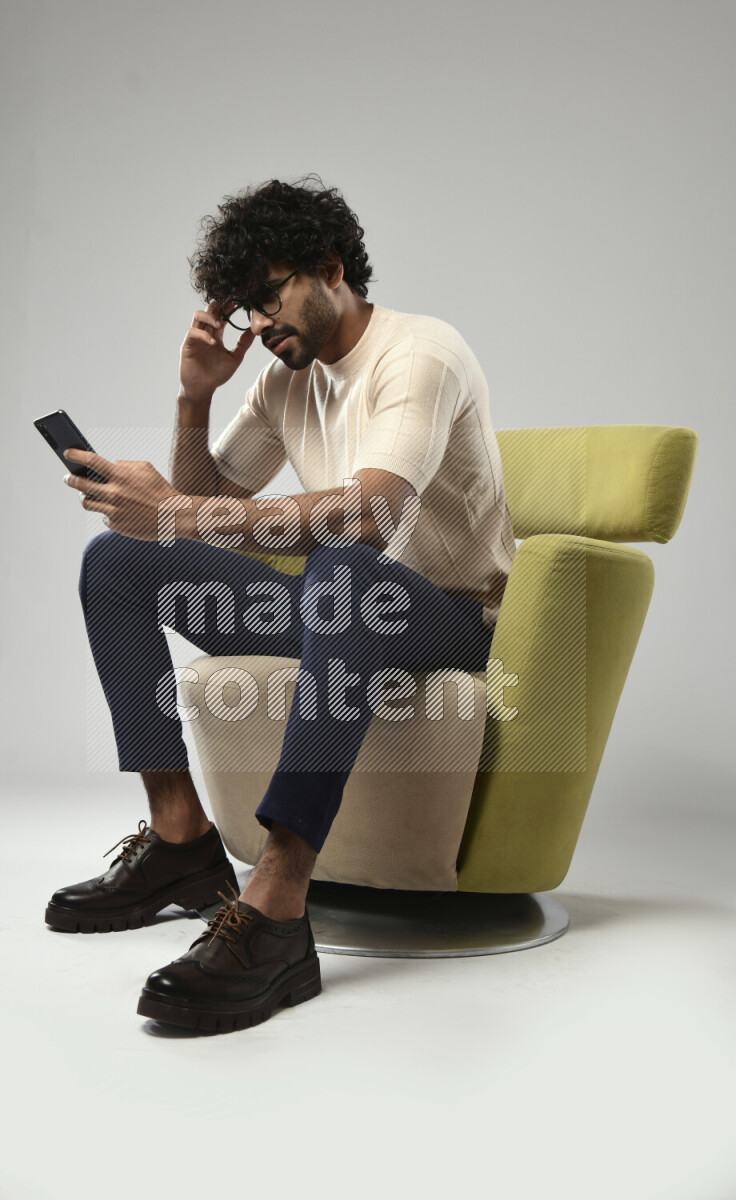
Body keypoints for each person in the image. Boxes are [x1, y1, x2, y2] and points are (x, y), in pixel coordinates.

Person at [44, 173, 516, 1034]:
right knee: (120, 561)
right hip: (342, 611)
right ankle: (181, 841)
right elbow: (198, 524)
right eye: (247, 309)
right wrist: (196, 399)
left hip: (448, 623)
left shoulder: (422, 354)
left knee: (340, 568)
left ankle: (277, 904)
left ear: (331, 267)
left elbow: (369, 515)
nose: (259, 326)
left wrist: (182, 510)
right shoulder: (283, 379)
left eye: (271, 297)